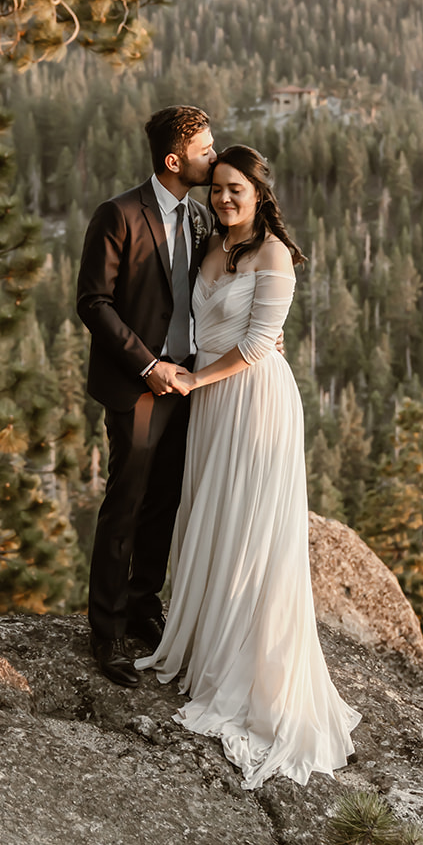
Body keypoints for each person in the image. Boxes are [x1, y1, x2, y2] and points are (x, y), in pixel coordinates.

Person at [136, 145, 360, 788]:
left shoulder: (273, 255)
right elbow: (200, 322)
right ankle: (209, 645)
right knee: (213, 515)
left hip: (253, 403)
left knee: (248, 526)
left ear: (260, 194)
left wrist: (193, 381)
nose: (225, 198)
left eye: (238, 189)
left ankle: (249, 665)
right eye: (218, 189)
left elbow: (261, 345)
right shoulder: (212, 247)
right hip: (211, 406)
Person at [76, 106, 216, 686]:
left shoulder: (204, 218)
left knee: (165, 501)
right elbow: (93, 302)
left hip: (190, 380)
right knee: (126, 503)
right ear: (173, 159)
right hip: (137, 385)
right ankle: (106, 632)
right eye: (206, 149)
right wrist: (148, 364)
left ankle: (141, 606)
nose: (214, 155)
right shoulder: (118, 214)